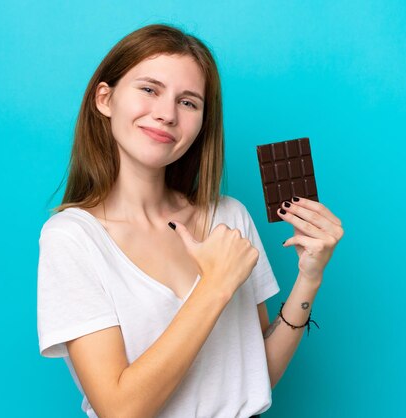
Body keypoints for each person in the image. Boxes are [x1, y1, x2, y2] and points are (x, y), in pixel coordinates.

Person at [37, 23, 344, 418]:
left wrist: (310, 276)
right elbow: (120, 410)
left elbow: (255, 374)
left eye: (188, 102)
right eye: (149, 89)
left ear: (201, 123)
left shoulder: (228, 217)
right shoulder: (73, 238)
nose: (166, 114)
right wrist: (215, 285)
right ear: (105, 99)